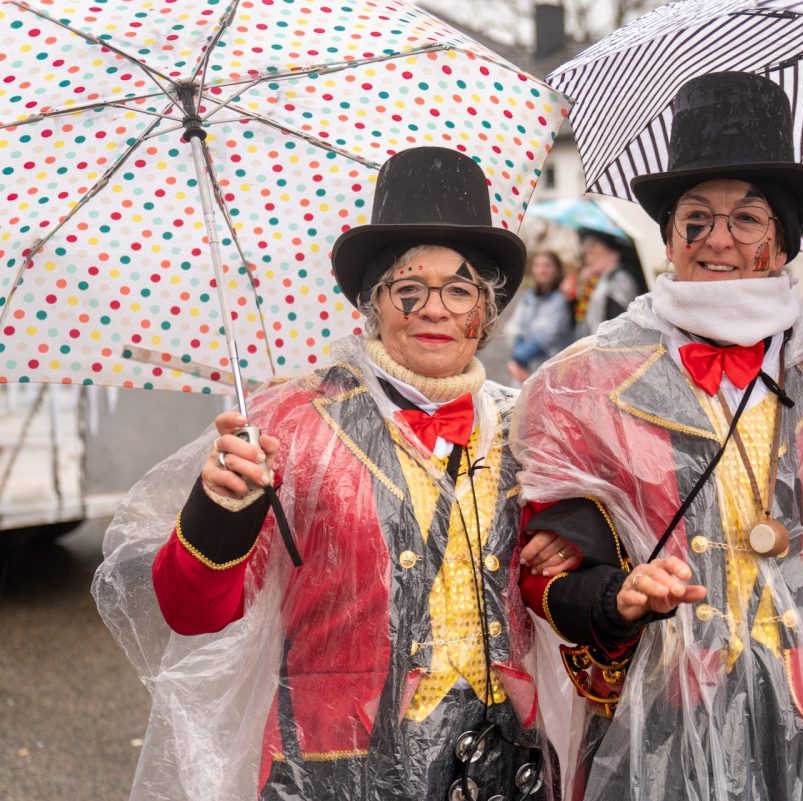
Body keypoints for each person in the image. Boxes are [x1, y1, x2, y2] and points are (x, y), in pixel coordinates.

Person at [511, 73, 803, 801]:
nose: (718, 240)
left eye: (746, 218)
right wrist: (616, 595)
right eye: (696, 219)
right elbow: (541, 572)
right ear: (670, 237)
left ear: (783, 239)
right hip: (660, 726)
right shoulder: (579, 387)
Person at [93, 148, 578, 801]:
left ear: (484, 313)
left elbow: (558, 596)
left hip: (501, 769)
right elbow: (193, 611)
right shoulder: (293, 424)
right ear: (372, 304)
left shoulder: (528, 431)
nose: (434, 308)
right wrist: (222, 508)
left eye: (460, 288)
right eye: (408, 288)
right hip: (331, 770)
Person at [506, 251, 575, 383]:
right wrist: (519, 360)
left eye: (547, 266)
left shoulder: (560, 301)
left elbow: (546, 337)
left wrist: (517, 358)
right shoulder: (528, 297)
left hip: (550, 373)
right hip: (523, 369)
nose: (541, 270)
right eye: (537, 265)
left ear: (557, 270)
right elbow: (516, 326)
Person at [572, 228, 647, 338]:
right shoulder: (598, 280)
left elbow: (619, 325)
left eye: (592, 244)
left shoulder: (619, 278)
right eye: (584, 244)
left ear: (612, 250)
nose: (585, 249)